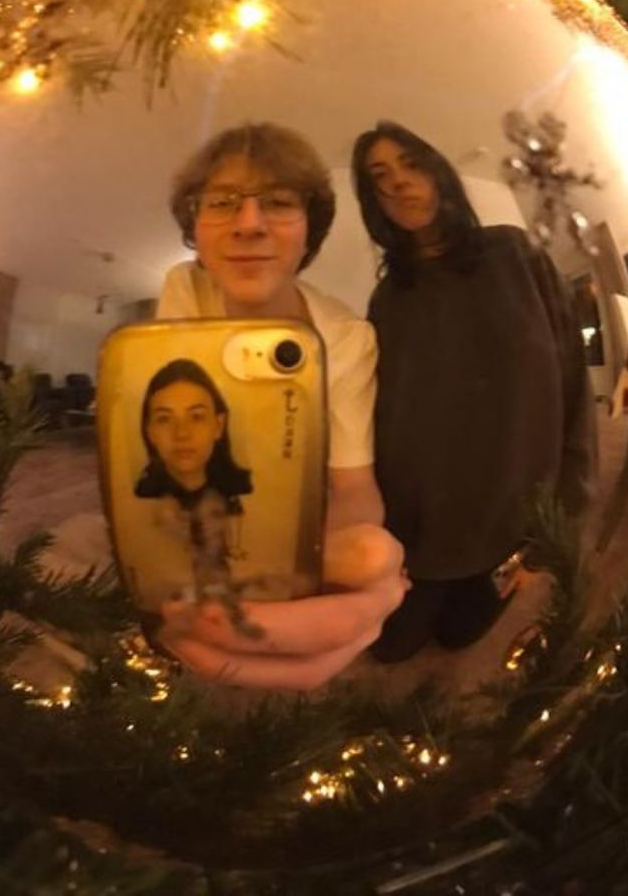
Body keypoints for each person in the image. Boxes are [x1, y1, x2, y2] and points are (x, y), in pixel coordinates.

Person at [153, 122, 406, 688]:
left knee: (374, 556)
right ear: (195, 224)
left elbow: (355, 487)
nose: (249, 224)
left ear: (309, 229)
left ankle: (246, 636)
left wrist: (309, 570)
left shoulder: (344, 336)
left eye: (278, 203)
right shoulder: (184, 291)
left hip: (300, 530)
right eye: (222, 202)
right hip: (201, 519)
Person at [351, 120, 596, 663]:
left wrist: (560, 519)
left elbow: (573, 381)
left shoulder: (514, 254)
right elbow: (380, 413)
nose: (398, 184)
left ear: (438, 170)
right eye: (379, 177)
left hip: (508, 516)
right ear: (372, 200)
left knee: (462, 635)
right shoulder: (388, 299)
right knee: (390, 649)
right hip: (418, 525)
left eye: (410, 164)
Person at [135, 359, 252, 604]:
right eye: (165, 419)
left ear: (218, 425)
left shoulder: (237, 495)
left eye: (196, 417)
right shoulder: (143, 501)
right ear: (150, 431)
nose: (182, 434)